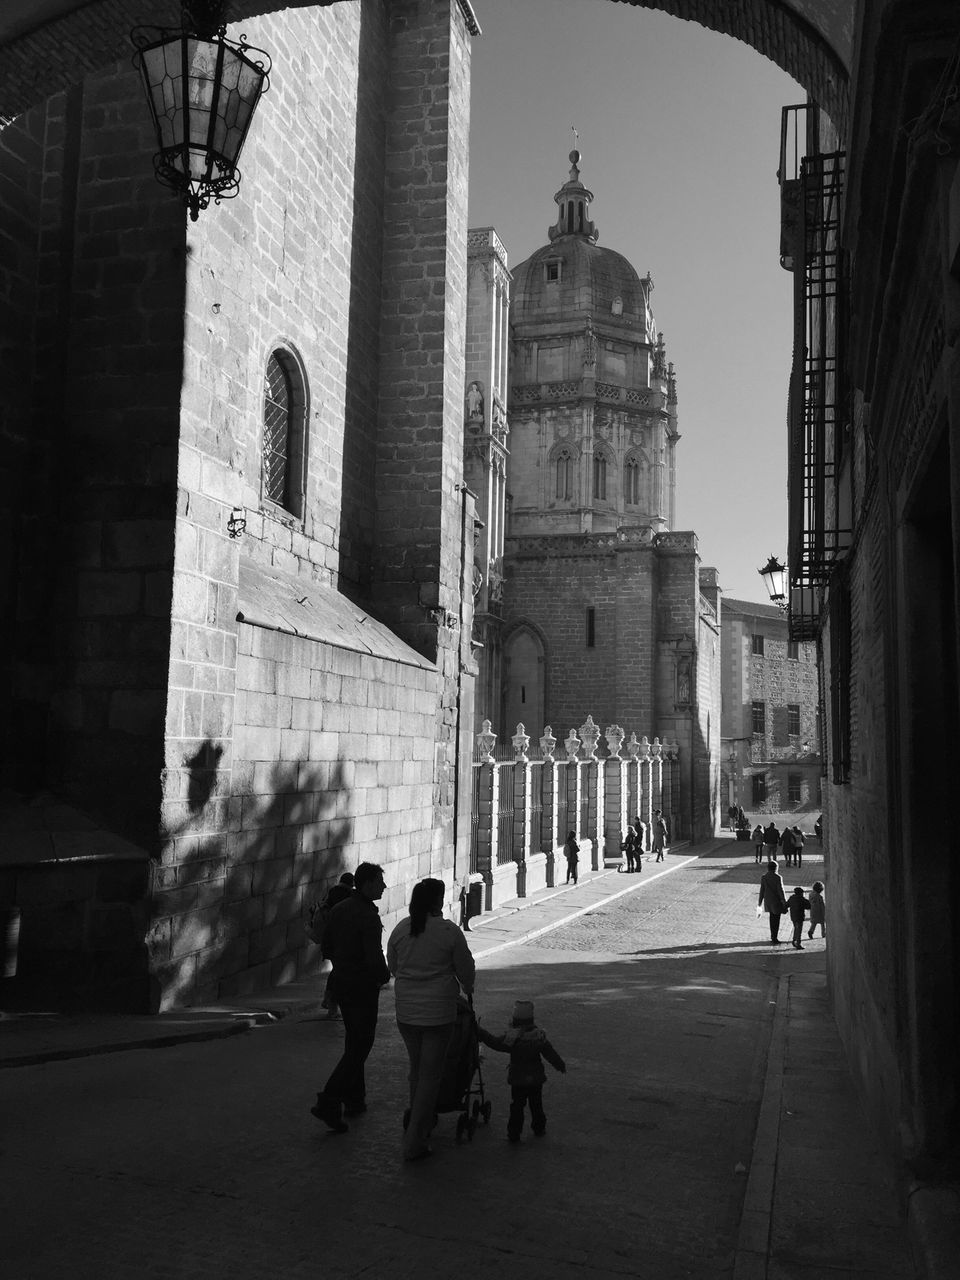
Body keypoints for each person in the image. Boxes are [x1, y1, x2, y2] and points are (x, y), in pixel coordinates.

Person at [387, 877, 476, 1162]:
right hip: (438, 1013)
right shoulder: (449, 932)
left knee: (417, 1070)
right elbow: (466, 970)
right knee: (430, 1075)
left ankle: (420, 1123)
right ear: (437, 902)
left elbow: (393, 966)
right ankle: (414, 1139)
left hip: (407, 1012)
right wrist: (467, 986)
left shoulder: (401, 929)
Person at [310, 862, 390, 1134]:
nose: (384, 886)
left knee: (353, 1039)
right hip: (362, 987)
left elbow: (328, 946)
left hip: (343, 984)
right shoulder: (367, 915)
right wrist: (383, 976)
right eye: (379, 882)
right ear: (366, 884)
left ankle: (355, 1099)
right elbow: (374, 956)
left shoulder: (340, 908)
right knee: (361, 1044)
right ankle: (330, 1099)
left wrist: (343, 965)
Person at [478, 999, 566, 1142]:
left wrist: (480, 1032)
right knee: (536, 1104)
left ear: (514, 1020)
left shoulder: (512, 1039)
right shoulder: (538, 1037)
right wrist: (560, 1065)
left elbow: (494, 1042)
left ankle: (514, 1133)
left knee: (517, 1106)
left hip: (518, 1079)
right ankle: (539, 1128)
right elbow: (551, 1054)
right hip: (535, 1078)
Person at [320, 872, 355, 1019]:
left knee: (336, 971)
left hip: (329, 940)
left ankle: (328, 1000)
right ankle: (331, 1004)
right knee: (339, 973)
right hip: (342, 942)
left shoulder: (331, 893)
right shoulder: (350, 896)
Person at [758, 860, 788, 944]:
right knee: (776, 919)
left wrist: (759, 902)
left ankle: (772, 936)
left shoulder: (764, 877)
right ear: (776, 868)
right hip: (776, 901)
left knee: (771, 919)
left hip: (768, 901)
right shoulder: (778, 877)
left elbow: (762, 890)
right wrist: (784, 902)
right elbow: (780, 890)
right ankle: (775, 937)